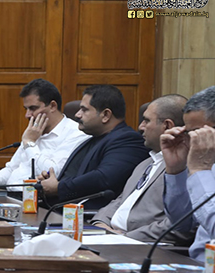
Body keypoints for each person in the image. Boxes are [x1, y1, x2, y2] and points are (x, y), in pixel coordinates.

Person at [92, 95, 194, 246]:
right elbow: (121, 200)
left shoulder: (185, 168)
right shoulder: (146, 163)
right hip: (109, 238)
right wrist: (101, 224)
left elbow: (179, 226)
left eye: (146, 120)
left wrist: (125, 237)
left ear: (167, 125)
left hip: (142, 246)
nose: (140, 127)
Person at [37, 85, 150, 209]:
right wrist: (51, 181)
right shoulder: (92, 139)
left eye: (84, 110)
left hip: (88, 216)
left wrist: (59, 188)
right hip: (57, 209)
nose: (77, 115)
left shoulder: (128, 140)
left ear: (106, 115)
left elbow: (104, 178)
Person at [0, 79, 89, 190]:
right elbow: (12, 168)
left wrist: (30, 143)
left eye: (33, 108)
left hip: (39, 199)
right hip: (11, 196)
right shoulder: (34, 132)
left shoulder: (76, 134)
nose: (27, 115)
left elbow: (53, 173)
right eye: (26, 109)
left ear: (52, 106)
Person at [162, 86, 215, 262]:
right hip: (197, 266)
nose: (191, 140)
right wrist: (176, 169)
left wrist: (200, 171)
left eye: (197, 132)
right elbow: (183, 224)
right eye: (187, 132)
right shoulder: (209, 162)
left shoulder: (203, 164)